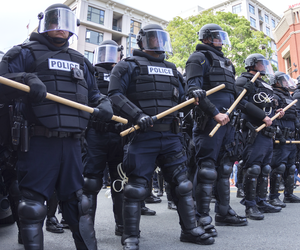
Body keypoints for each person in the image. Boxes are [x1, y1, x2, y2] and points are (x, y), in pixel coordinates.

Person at [0, 3, 113, 249]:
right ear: (44, 24)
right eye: (55, 22)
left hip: (73, 143)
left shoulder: (80, 61)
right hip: (37, 141)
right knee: (32, 206)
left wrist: (104, 102)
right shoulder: (22, 53)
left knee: (78, 204)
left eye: (67, 23)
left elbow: (93, 94)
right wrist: (26, 78)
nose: (61, 28)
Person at [108, 23, 214, 249]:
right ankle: (130, 236)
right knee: (136, 187)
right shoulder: (127, 66)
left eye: (161, 38)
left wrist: (193, 98)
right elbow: (114, 95)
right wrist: (137, 115)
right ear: (143, 41)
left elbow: (181, 106)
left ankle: (190, 229)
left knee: (182, 185)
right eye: (154, 39)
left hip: (170, 136)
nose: (159, 43)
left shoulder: (174, 69)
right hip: (141, 136)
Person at [185, 23, 247, 236]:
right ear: (207, 38)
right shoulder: (199, 58)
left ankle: (223, 212)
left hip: (228, 120)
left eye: (222, 36)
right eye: (217, 36)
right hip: (211, 120)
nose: (221, 40)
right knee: (207, 169)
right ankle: (200, 217)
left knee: (225, 168)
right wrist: (215, 113)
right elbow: (193, 90)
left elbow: (232, 93)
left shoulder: (228, 63)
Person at [82, 39, 127, 236]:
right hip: (95, 132)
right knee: (90, 182)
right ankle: (87, 227)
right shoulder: (90, 72)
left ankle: (123, 225)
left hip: (120, 133)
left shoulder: (125, 71)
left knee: (120, 181)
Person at [235, 54, 283, 220]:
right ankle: (250, 205)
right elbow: (240, 102)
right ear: (252, 65)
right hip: (253, 130)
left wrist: (277, 111)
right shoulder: (244, 80)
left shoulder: (265, 84)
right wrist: (262, 116)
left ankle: (261, 201)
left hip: (268, 132)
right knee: (254, 168)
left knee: (265, 168)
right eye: (261, 64)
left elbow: (270, 103)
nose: (264, 67)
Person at [269, 71, 300, 206]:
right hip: (281, 137)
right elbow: (272, 116)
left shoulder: (290, 96)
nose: (287, 83)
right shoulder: (274, 95)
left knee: (291, 167)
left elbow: (294, 116)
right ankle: (274, 196)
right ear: (276, 82)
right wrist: (278, 134)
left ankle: (289, 194)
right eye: (284, 80)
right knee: (279, 167)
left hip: (292, 137)